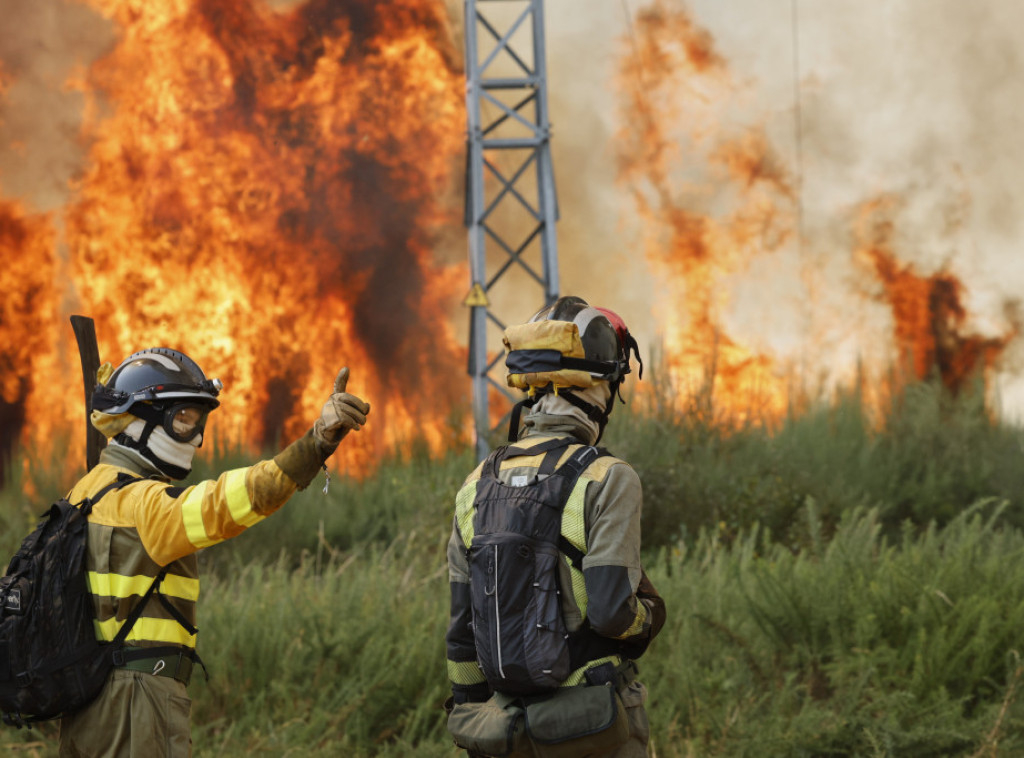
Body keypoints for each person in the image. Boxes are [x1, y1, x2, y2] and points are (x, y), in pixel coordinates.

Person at [58, 347, 370, 758]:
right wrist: (315, 444)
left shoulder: (82, 492)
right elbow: (228, 502)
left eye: (199, 420)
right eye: (184, 419)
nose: (198, 436)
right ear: (140, 420)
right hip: (137, 703)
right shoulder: (144, 504)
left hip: (88, 701)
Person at [445, 296, 666, 758]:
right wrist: (648, 617)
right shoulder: (607, 477)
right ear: (594, 387)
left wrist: (470, 720)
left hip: (505, 732)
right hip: (594, 727)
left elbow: (462, 632)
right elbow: (611, 613)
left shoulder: (475, 485)